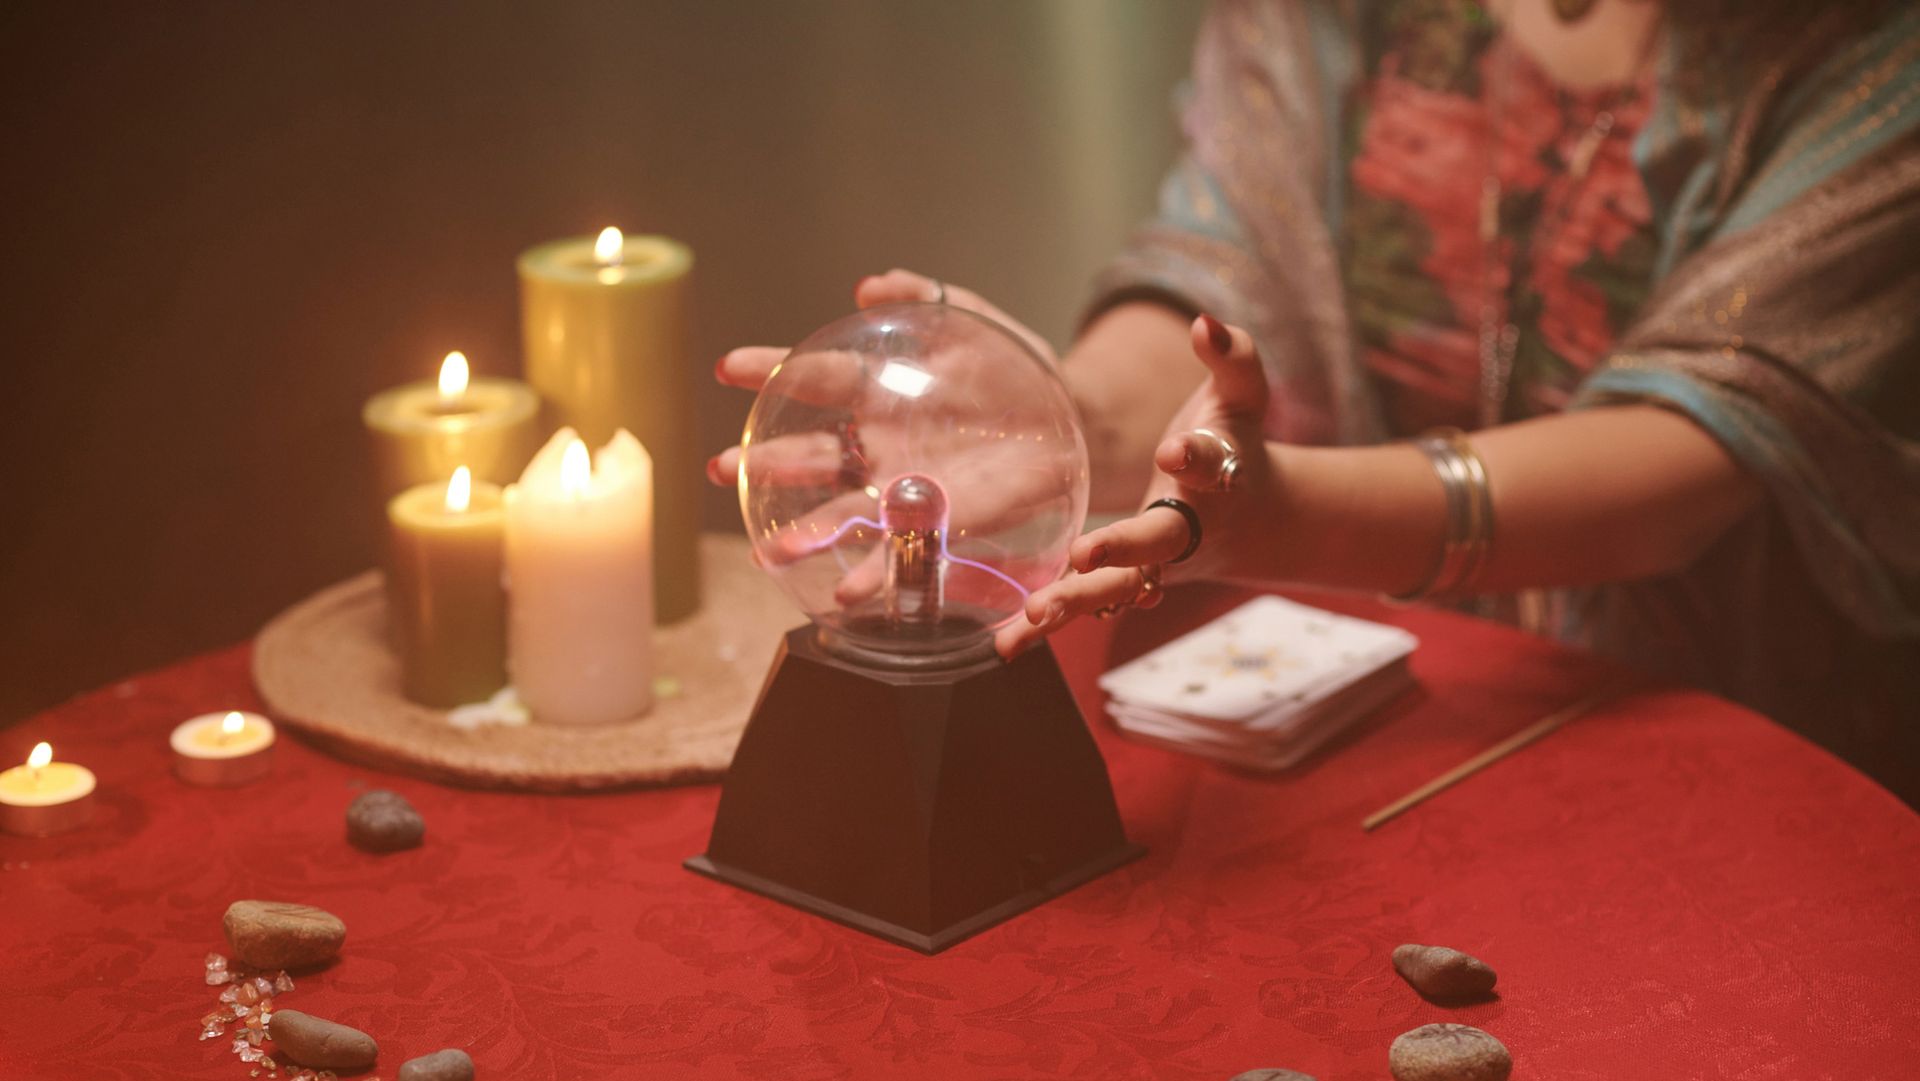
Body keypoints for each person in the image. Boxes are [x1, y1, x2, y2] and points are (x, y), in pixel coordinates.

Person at [713, 0, 1920, 801]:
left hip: (1725, 760)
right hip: (1362, 741)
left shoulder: (1872, 51)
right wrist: (1067, 419)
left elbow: (1701, 446)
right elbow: (1230, 268)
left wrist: (1291, 516)